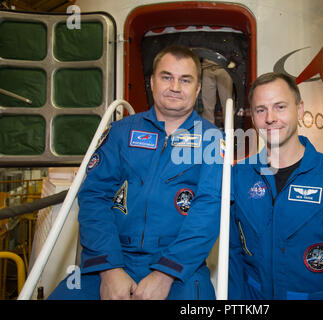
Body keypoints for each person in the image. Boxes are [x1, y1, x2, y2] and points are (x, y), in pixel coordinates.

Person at [48, 46, 223, 300]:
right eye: (166, 77)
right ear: (151, 82)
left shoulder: (213, 141)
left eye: (185, 80)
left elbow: (209, 211)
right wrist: (110, 270)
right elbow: (94, 197)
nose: (175, 87)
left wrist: (165, 274)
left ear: (197, 89)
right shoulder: (121, 132)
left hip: (180, 267)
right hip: (112, 256)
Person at [228, 72, 323, 300]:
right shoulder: (239, 176)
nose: (270, 118)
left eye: (280, 107)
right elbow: (231, 256)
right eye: (261, 110)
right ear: (253, 117)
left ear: (299, 110)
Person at [201, 58, 234, 126]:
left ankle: (228, 131)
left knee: (227, 103)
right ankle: (208, 130)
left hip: (224, 66)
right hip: (207, 66)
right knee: (207, 103)